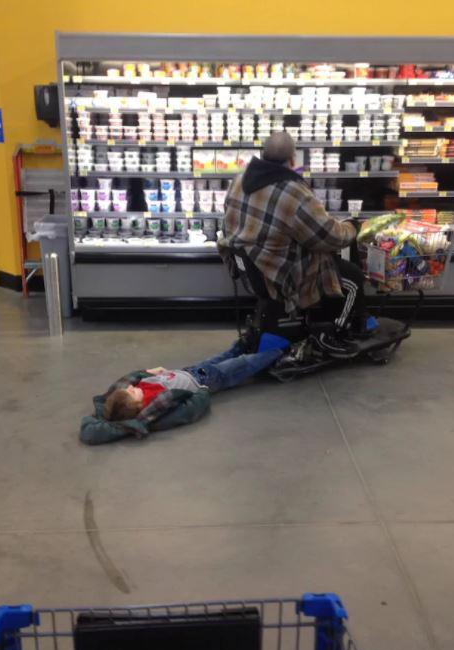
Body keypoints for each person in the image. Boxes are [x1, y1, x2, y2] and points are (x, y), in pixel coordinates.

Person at [217, 132, 370, 359]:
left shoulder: (239, 180)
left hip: (251, 268)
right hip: (281, 275)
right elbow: (329, 236)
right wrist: (352, 227)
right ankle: (331, 335)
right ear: (292, 159)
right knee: (352, 277)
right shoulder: (294, 192)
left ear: (263, 154)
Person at [79, 339, 285, 444]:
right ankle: (281, 351)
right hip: (202, 380)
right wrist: (203, 392)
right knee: (240, 365)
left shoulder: (128, 397)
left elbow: (124, 385)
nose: (131, 387)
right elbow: (188, 411)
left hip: (189, 371)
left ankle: (243, 345)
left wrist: (148, 372)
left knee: (222, 357)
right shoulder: (153, 412)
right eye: (132, 393)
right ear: (137, 405)